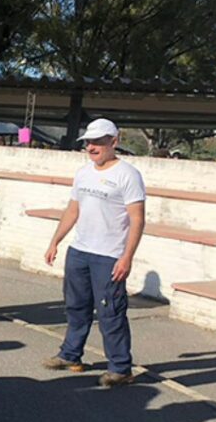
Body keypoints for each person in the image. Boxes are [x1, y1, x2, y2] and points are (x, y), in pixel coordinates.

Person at [42, 118, 145, 387]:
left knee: (110, 312)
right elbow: (73, 209)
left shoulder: (128, 175)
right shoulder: (83, 173)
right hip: (80, 251)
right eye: (88, 142)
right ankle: (70, 354)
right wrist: (56, 241)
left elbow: (137, 219)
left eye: (99, 141)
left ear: (114, 141)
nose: (92, 146)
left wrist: (127, 257)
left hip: (109, 256)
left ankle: (121, 368)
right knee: (76, 307)